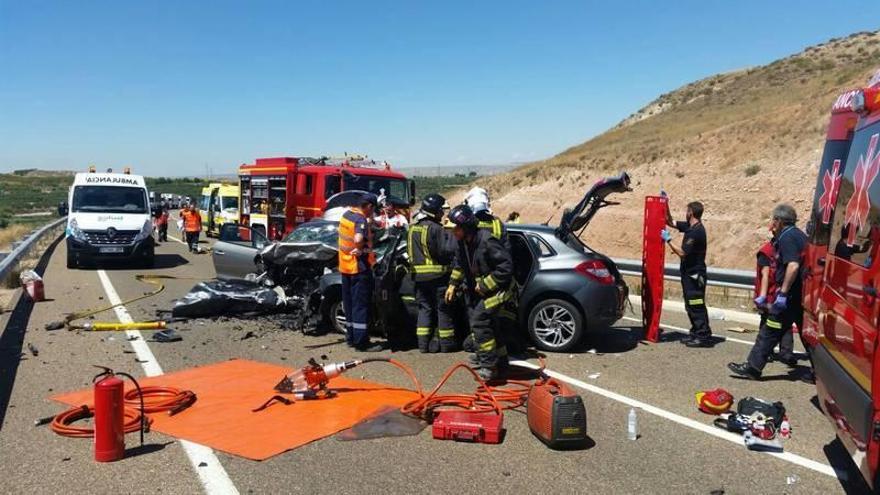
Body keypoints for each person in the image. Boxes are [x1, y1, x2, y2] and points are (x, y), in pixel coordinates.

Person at [729, 204, 808, 379]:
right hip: (801, 294)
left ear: (779, 221)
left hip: (791, 295)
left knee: (770, 329)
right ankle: (819, 374)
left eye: (773, 220)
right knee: (807, 335)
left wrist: (783, 293)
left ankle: (753, 367)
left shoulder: (787, 238)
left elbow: (793, 266)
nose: (772, 223)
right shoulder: (799, 235)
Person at [445, 205, 513, 380]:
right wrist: (453, 284)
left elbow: (505, 268)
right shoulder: (464, 243)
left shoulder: (487, 241)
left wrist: (484, 285)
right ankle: (501, 360)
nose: (453, 233)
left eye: (456, 228)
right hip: (479, 293)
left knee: (480, 322)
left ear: (466, 227)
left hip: (495, 291)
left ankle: (488, 366)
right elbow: (460, 265)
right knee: (491, 325)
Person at [408, 194, 456, 353]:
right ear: (434, 210)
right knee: (443, 310)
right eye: (441, 211)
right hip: (438, 278)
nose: (442, 214)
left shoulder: (413, 228)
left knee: (424, 309)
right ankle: (447, 345)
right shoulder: (436, 229)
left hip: (418, 280)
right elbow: (445, 252)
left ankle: (422, 346)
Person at [661, 201, 713, 347]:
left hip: (695, 275)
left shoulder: (696, 231)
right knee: (690, 304)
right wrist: (666, 204)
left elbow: (683, 253)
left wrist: (668, 240)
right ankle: (696, 332)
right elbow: (670, 222)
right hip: (689, 273)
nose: (686, 212)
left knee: (696, 304)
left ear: (690, 212)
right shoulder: (690, 227)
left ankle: (703, 335)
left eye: (687, 210)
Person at [338, 193, 383, 352]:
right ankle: (361, 342)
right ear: (369, 206)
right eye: (373, 209)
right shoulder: (360, 219)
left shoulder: (347, 215)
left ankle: (351, 338)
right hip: (359, 268)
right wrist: (360, 248)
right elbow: (357, 238)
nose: (373, 213)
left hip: (345, 267)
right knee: (360, 306)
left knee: (349, 305)